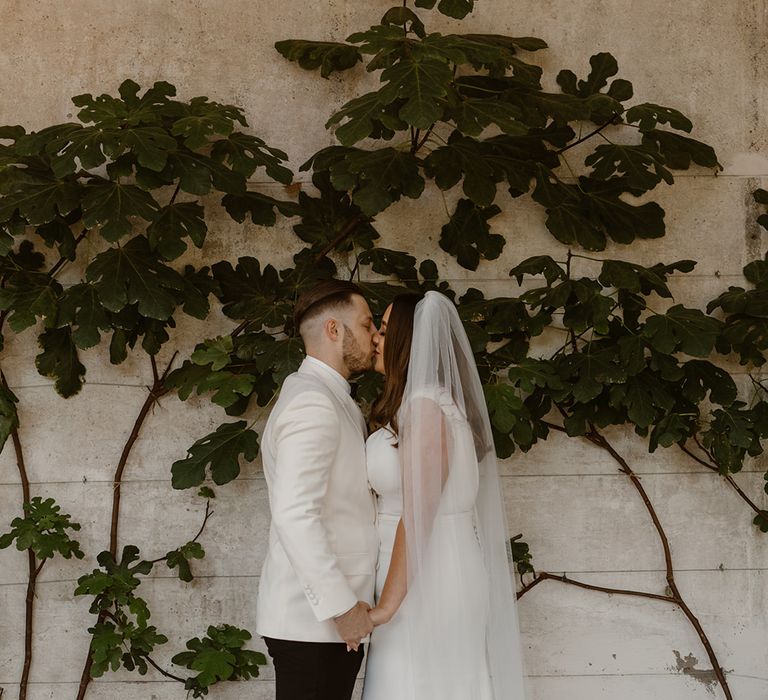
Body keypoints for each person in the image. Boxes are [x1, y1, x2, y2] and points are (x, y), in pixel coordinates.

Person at [362, 290, 527, 700]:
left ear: (407, 341)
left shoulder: (426, 407)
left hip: (429, 574)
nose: (375, 340)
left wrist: (386, 607)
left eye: (383, 331)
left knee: (415, 684)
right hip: (419, 568)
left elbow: (418, 515)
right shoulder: (423, 404)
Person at [256, 279, 380, 700]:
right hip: (314, 621)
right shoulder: (313, 402)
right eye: (366, 326)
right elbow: (294, 513)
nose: (374, 337)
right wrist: (342, 608)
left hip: (326, 623)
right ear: (334, 330)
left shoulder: (328, 395)